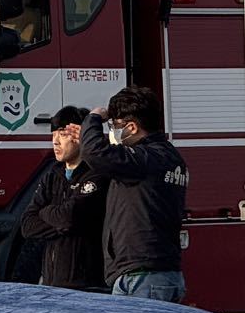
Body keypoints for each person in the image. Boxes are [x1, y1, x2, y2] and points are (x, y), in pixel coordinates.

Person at [80, 85, 189, 301]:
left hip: (144, 276)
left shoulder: (145, 159)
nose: (111, 132)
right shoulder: (168, 156)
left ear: (131, 127)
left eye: (114, 126)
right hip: (150, 273)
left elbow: (93, 152)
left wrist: (93, 118)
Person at [19, 104, 106, 291]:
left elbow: (69, 217)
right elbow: (27, 226)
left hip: (88, 286)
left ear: (79, 135)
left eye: (62, 133)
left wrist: (46, 211)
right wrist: (62, 221)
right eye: (53, 134)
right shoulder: (52, 175)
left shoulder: (96, 174)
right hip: (52, 284)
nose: (55, 141)